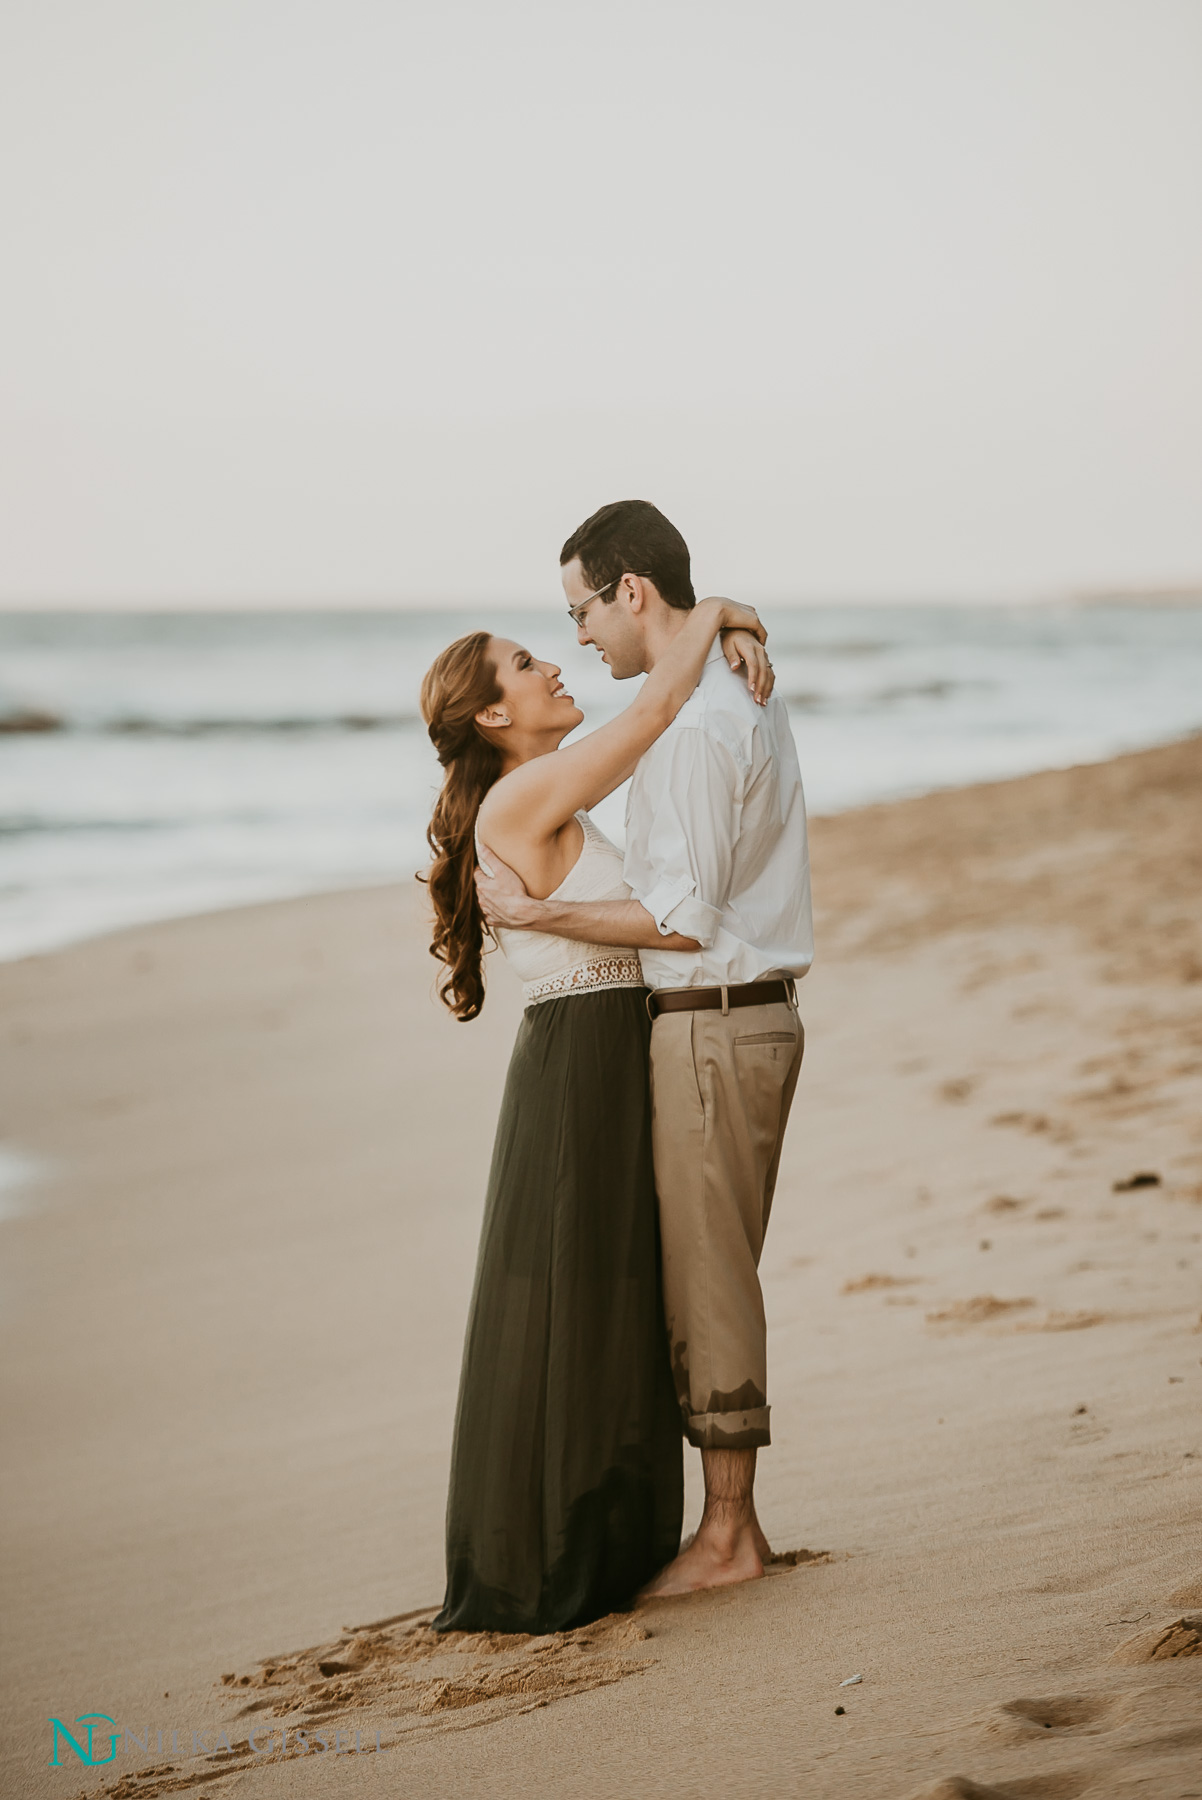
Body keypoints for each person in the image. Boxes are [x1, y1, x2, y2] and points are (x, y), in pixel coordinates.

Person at [476, 499, 813, 1599]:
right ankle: (715, 1527)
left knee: (709, 1283)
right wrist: (729, 615)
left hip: (715, 1023)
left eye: (578, 611)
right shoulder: (710, 699)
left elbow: (680, 920)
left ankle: (727, 1538)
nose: (578, 638)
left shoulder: (702, 722)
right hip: (720, 1023)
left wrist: (542, 919)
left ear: (629, 591)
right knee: (696, 1278)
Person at [420, 591, 773, 1633]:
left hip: (608, 1050)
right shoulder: (519, 800)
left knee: (608, 1294)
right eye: (527, 665)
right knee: (568, 1294)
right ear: (491, 715)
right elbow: (655, 710)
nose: (554, 670)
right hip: (578, 1064)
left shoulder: (547, 798)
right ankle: (544, 1554)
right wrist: (719, 611)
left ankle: (608, 1536)